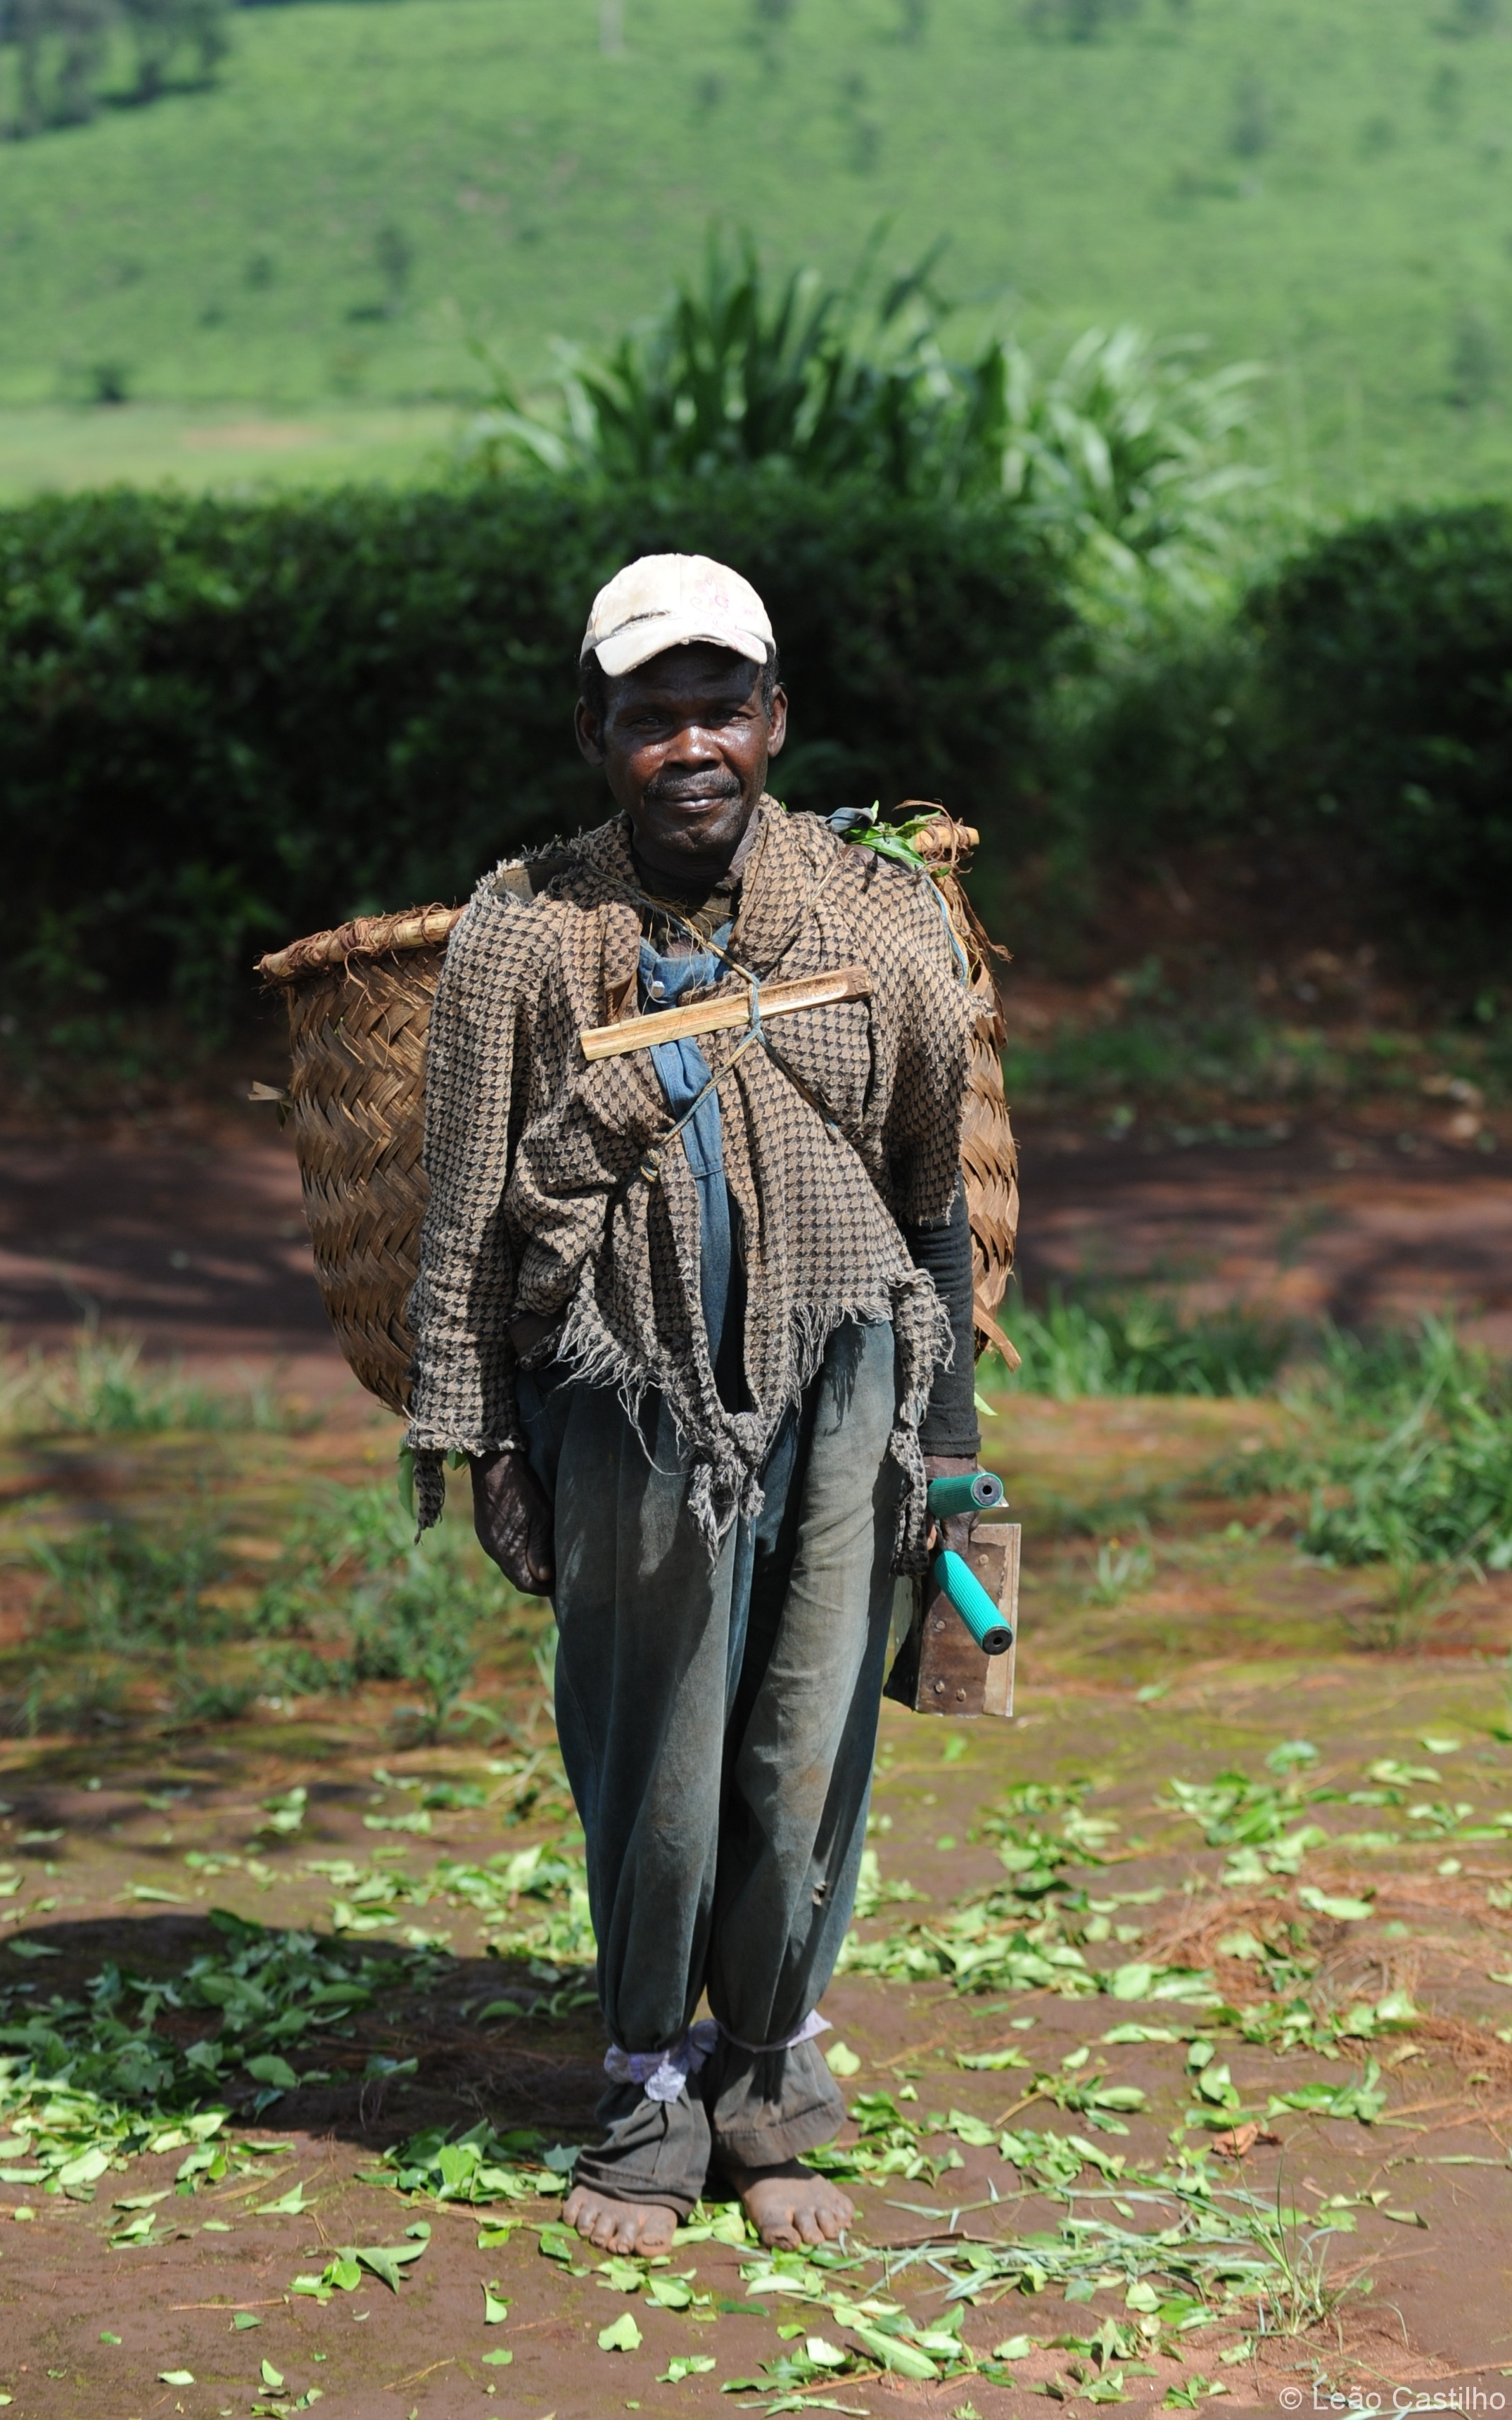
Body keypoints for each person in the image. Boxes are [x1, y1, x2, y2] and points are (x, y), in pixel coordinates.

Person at [405, 553, 1015, 2255]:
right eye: (647, 715)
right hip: (616, 1396)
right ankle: (643, 2095)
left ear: (773, 721)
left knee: (806, 1742)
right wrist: (484, 1443)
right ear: (592, 732)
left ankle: (769, 2086)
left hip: (845, 1388)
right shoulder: (525, 929)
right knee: (651, 1752)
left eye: (718, 710)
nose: (689, 746)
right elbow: (462, 1209)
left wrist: (946, 1441)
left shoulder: (875, 914)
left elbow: (929, 1192)